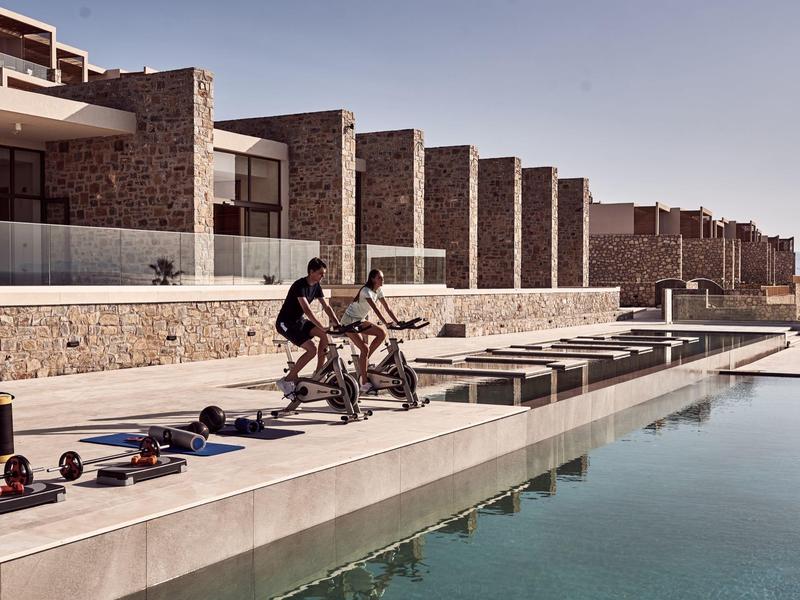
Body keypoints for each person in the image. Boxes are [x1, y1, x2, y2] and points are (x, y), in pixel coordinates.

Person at [275, 257, 341, 395]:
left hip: (299, 321)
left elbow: (326, 306)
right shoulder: (299, 285)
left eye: (323, 274)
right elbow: (307, 310)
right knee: (311, 349)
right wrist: (321, 325)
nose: (322, 276)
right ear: (311, 271)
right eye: (320, 273)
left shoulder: (316, 286)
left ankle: (318, 372)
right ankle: (286, 380)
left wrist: (337, 323)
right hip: (285, 323)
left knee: (325, 335)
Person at [340, 269, 400, 393]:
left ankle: (365, 360)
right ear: (372, 279)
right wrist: (386, 322)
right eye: (379, 278)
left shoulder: (378, 291)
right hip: (349, 322)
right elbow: (376, 309)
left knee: (381, 334)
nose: (382, 280)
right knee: (364, 349)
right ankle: (364, 383)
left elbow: (387, 307)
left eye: (382, 278)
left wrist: (398, 322)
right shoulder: (365, 291)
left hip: (359, 320)